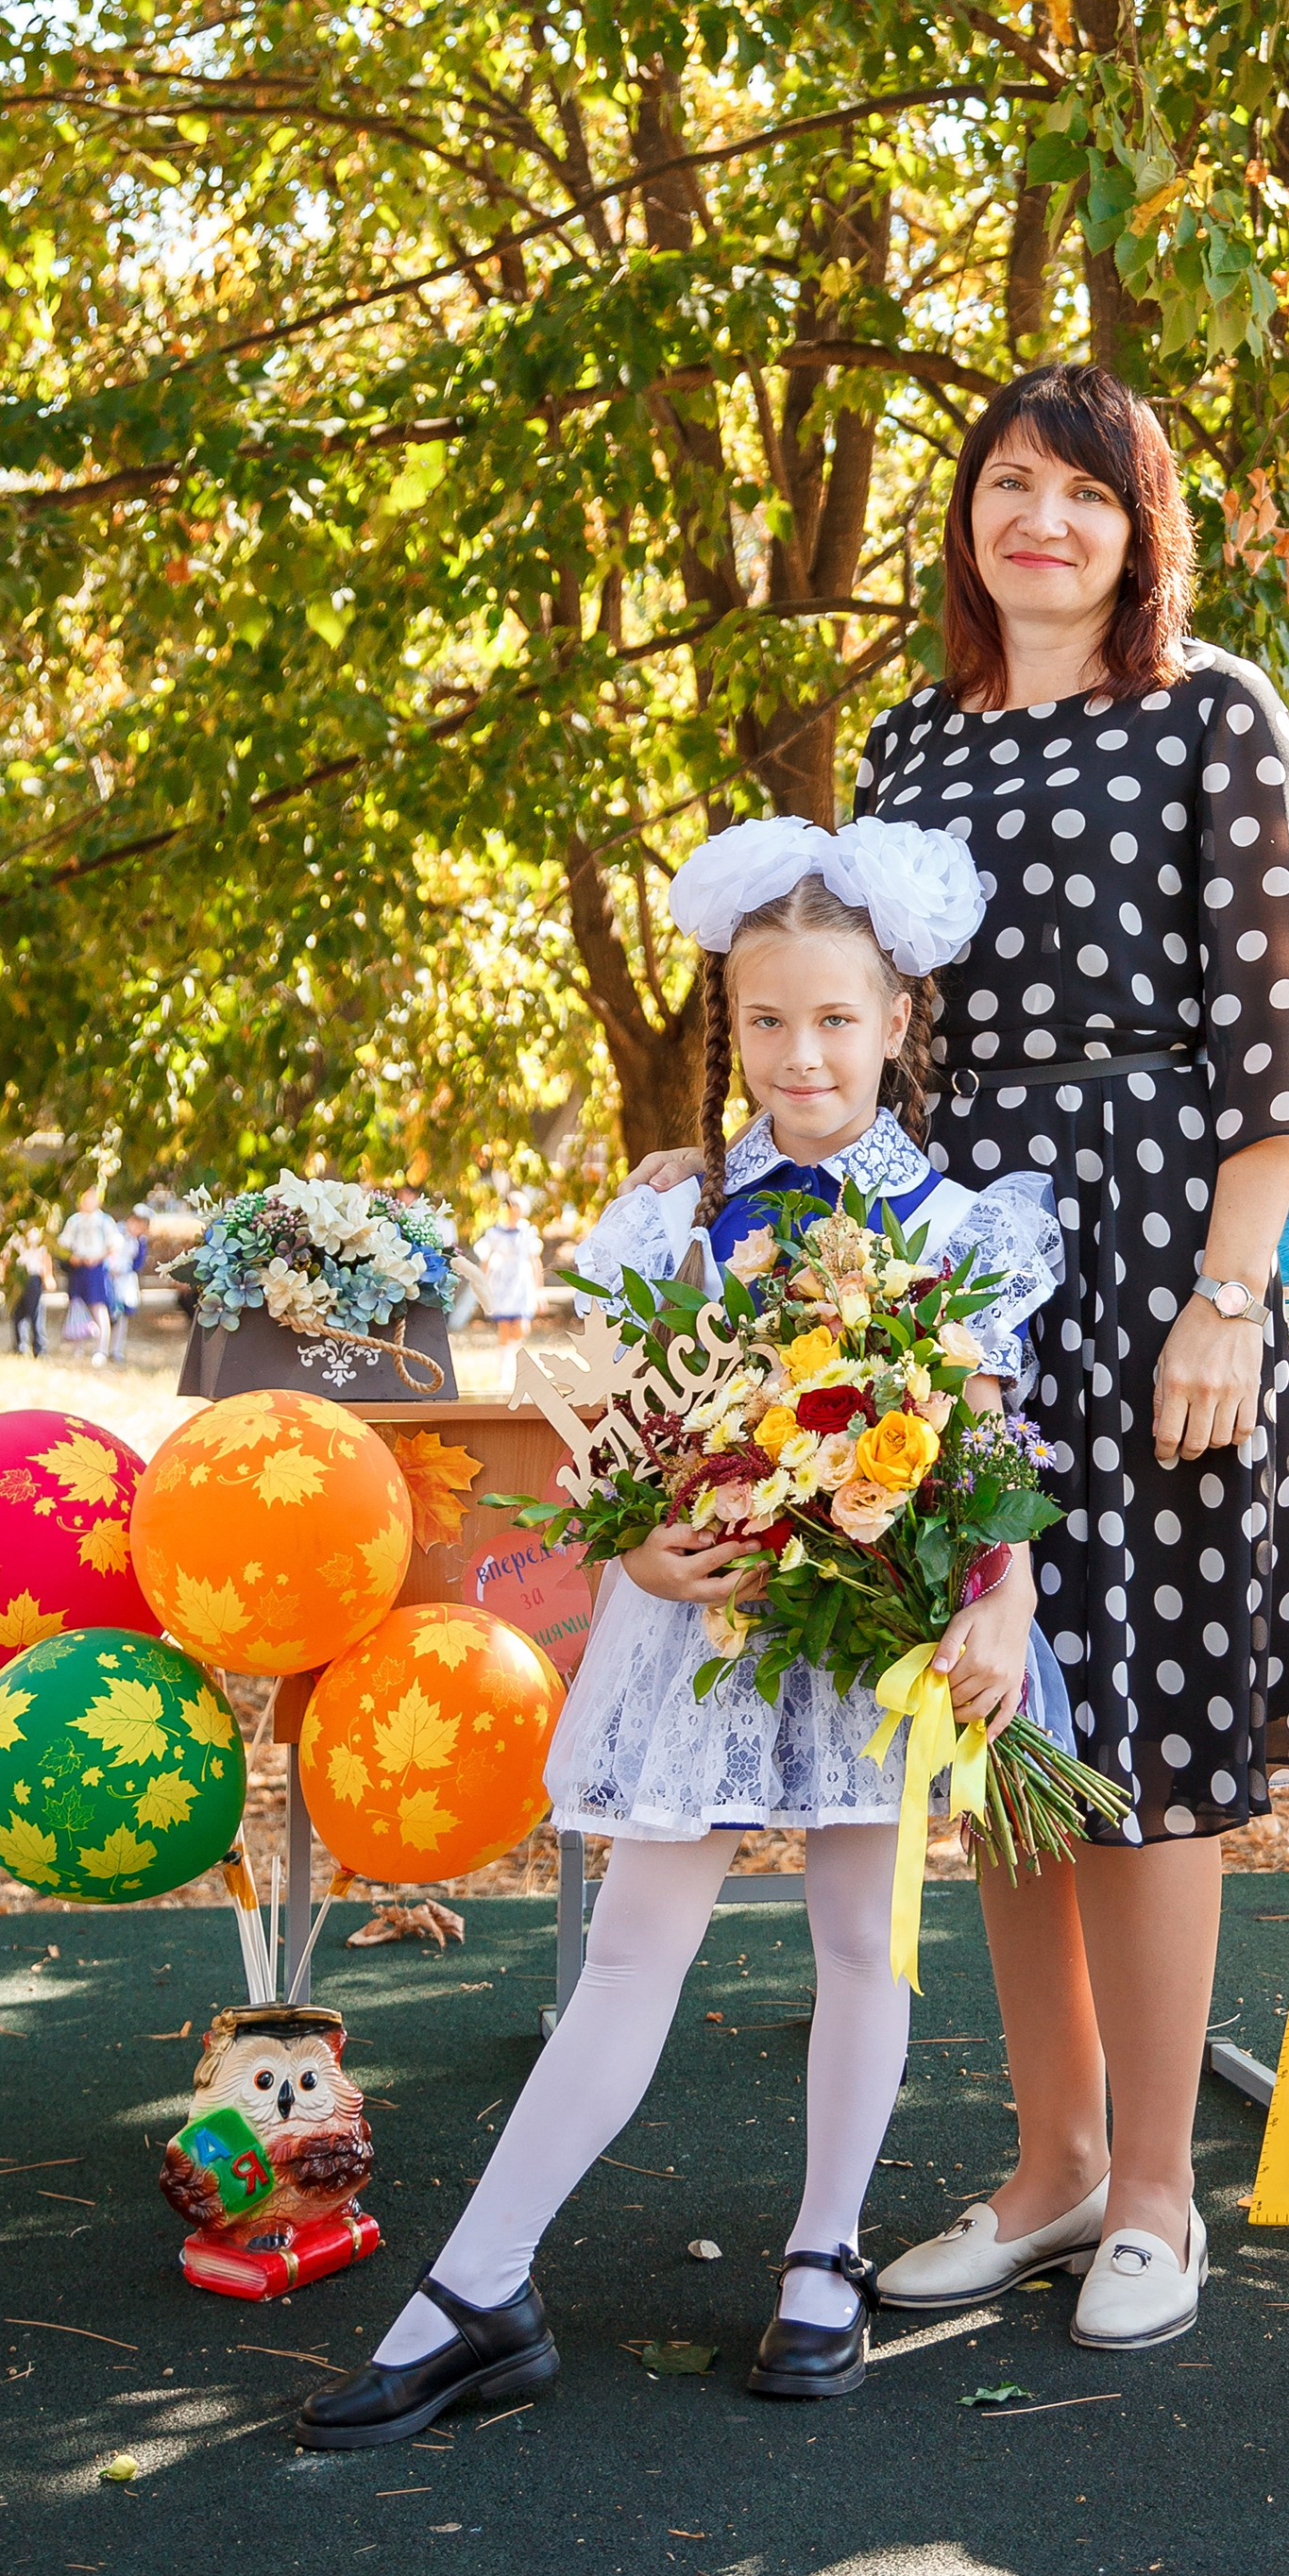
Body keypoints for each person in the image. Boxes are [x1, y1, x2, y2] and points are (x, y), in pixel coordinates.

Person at [627, 362, 1289, 2352]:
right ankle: (1045, 2167)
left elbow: (1270, 1035)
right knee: (1000, 1708)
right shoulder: (911, 745)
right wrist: (752, 1180)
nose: (1040, 521)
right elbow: (838, 1012)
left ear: (1137, 527)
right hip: (948, 1269)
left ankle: (1156, 2201)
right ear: (967, 521)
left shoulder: (1211, 715)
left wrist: (1222, 1293)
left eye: (1081, 494)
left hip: (1158, 1246)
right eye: (1006, 486)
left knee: (1157, 1720)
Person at [297, 818, 1064, 2451]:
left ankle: (820, 2260)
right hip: (705, 1637)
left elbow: (991, 1449)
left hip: (878, 1632)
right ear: (734, 1024)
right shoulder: (666, 1216)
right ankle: (478, 2288)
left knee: (863, 1938)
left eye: (837, 1020)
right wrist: (640, 1542)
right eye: (770, 1019)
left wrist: (993, 1596)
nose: (803, 1052)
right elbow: (613, 1445)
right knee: (636, 1949)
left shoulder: (963, 1223)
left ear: (899, 1024)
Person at [473, 1190, 545, 1359]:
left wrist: (539, 1290)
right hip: (502, 1281)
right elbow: (486, 1259)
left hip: (521, 1281)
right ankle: (505, 1368)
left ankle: (514, 1356)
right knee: (504, 1325)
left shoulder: (527, 1232)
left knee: (522, 1325)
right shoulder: (496, 1232)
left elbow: (535, 1261)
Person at [57, 1182, 121, 1364]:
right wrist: (72, 1258)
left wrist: (99, 1257)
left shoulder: (104, 1221)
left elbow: (115, 1244)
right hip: (78, 1268)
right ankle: (78, 1346)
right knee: (78, 1306)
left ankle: (101, 1349)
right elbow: (64, 1244)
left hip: (96, 1269)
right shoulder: (74, 1221)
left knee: (98, 1306)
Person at [108, 1208, 150, 1365]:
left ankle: (116, 1349)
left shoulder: (139, 1241)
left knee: (122, 1316)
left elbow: (138, 1263)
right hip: (109, 1277)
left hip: (125, 1280)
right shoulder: (115, 1231)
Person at [8, 1225, 54, 1358]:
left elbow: (44, 1253)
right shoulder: (12, 1228)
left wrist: (47, 1275)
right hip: (16, 1276)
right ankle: (20, 1346)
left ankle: (39, 1348)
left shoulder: (35, 1230)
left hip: (33, 1274)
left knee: (35, 1312)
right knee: (17, 1312)